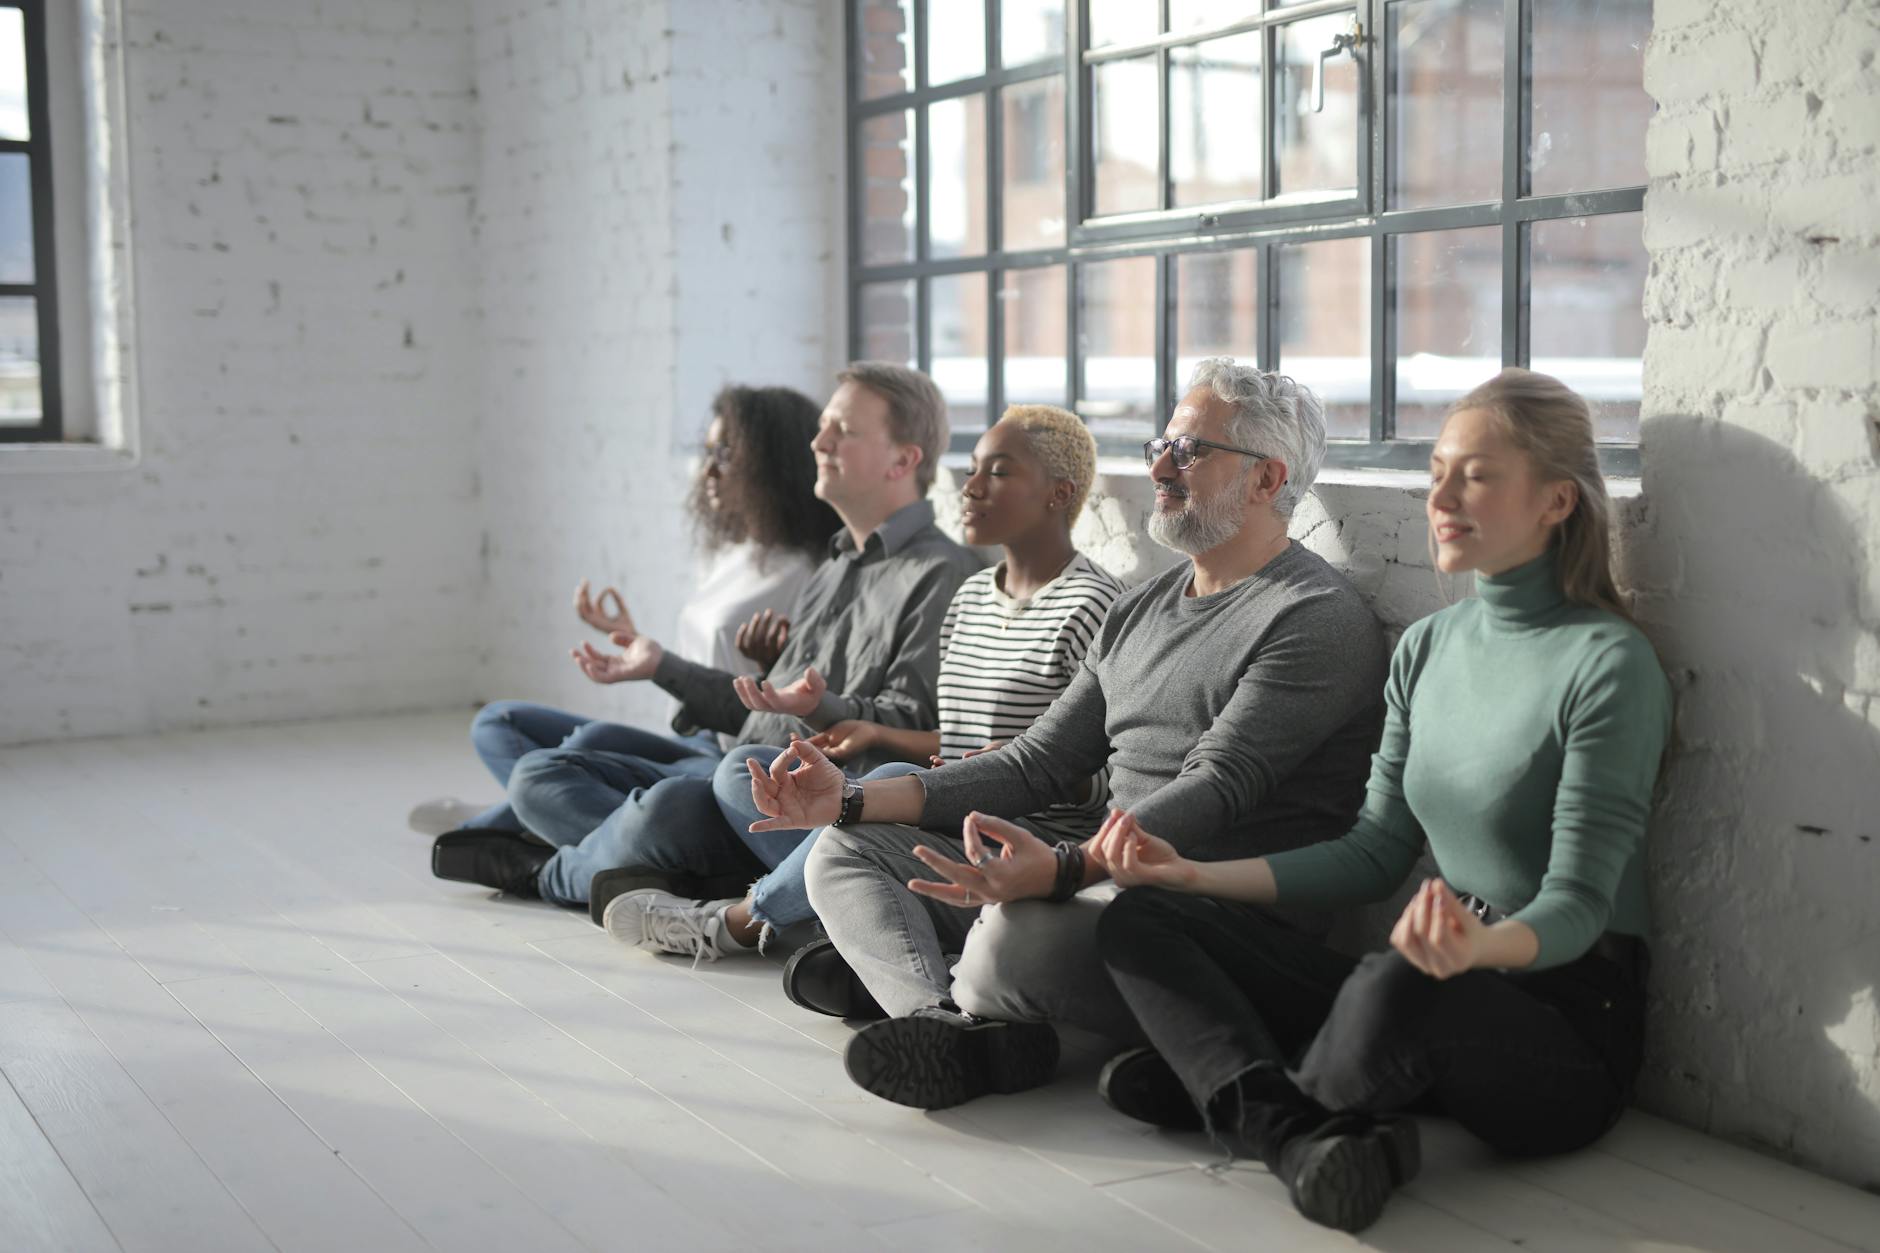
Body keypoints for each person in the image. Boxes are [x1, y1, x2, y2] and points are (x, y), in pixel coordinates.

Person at [1089, 369, 1672, 1234]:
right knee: (1142, 919)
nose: (1441, 495)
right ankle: (1296, 1129)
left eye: (1475, 474)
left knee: (1397, 988)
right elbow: (1371, 853)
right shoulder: (1428, 646)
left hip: (1565, 1024)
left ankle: (1252, 1093)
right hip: (1431, 971)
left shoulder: (1607, 663)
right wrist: (1192, 878)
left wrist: (1480, 946)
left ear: (1556, 500)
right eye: (1436, 470)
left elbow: (1583, 906)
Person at [753, 359, 1391, 1111]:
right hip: (1097, 878)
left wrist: (1061, 869)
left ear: (1265, 479)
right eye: (1163, 444)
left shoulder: (1313, 617)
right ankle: (944, 1023)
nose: (1159, 465)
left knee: (1011, 939)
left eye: (1190, 450)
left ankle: (967, 994)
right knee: (843, 851)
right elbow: (1035, 762)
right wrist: (852, 798)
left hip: (1199, 921)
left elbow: (1217, 786)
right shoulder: (1143, 606)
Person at [430, 363, 982, 907]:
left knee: (663, 806)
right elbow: (760, 711)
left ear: (903, 460)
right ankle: (667, 867)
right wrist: (662, 665)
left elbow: (912, 729)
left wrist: (821, 707)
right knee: (538, 774)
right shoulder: (835, 566)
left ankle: (552, 872)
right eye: (824, 426)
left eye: (844, 430)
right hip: (739, 766)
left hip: (794, 799)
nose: (819, 441)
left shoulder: (940, 575)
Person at [602, 404, 1125, 965]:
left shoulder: (1097, 606)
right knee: (744, 770)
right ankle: (831, 910)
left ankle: (733, 923)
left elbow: (1111, 771)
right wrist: (866, 729)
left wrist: (1021, 767)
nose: (970, 487)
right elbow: (954, 738)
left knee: (879, 790)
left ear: (1059, 494)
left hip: (1025, 837)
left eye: (997, 472)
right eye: (971, 468)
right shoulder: (971, 597)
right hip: (951, 807)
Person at [406, 385, 834, 837]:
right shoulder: (737, 551)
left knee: (586, 747)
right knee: (498, 722)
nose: (708, 470)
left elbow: (788, 703)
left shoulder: (810, 573)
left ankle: (506, 822)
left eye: (726, 455)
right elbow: (706, 668)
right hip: (694, 737)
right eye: (707, 451)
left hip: (735, 757)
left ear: (771, 465)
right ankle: (542, 816)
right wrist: (638, 645)